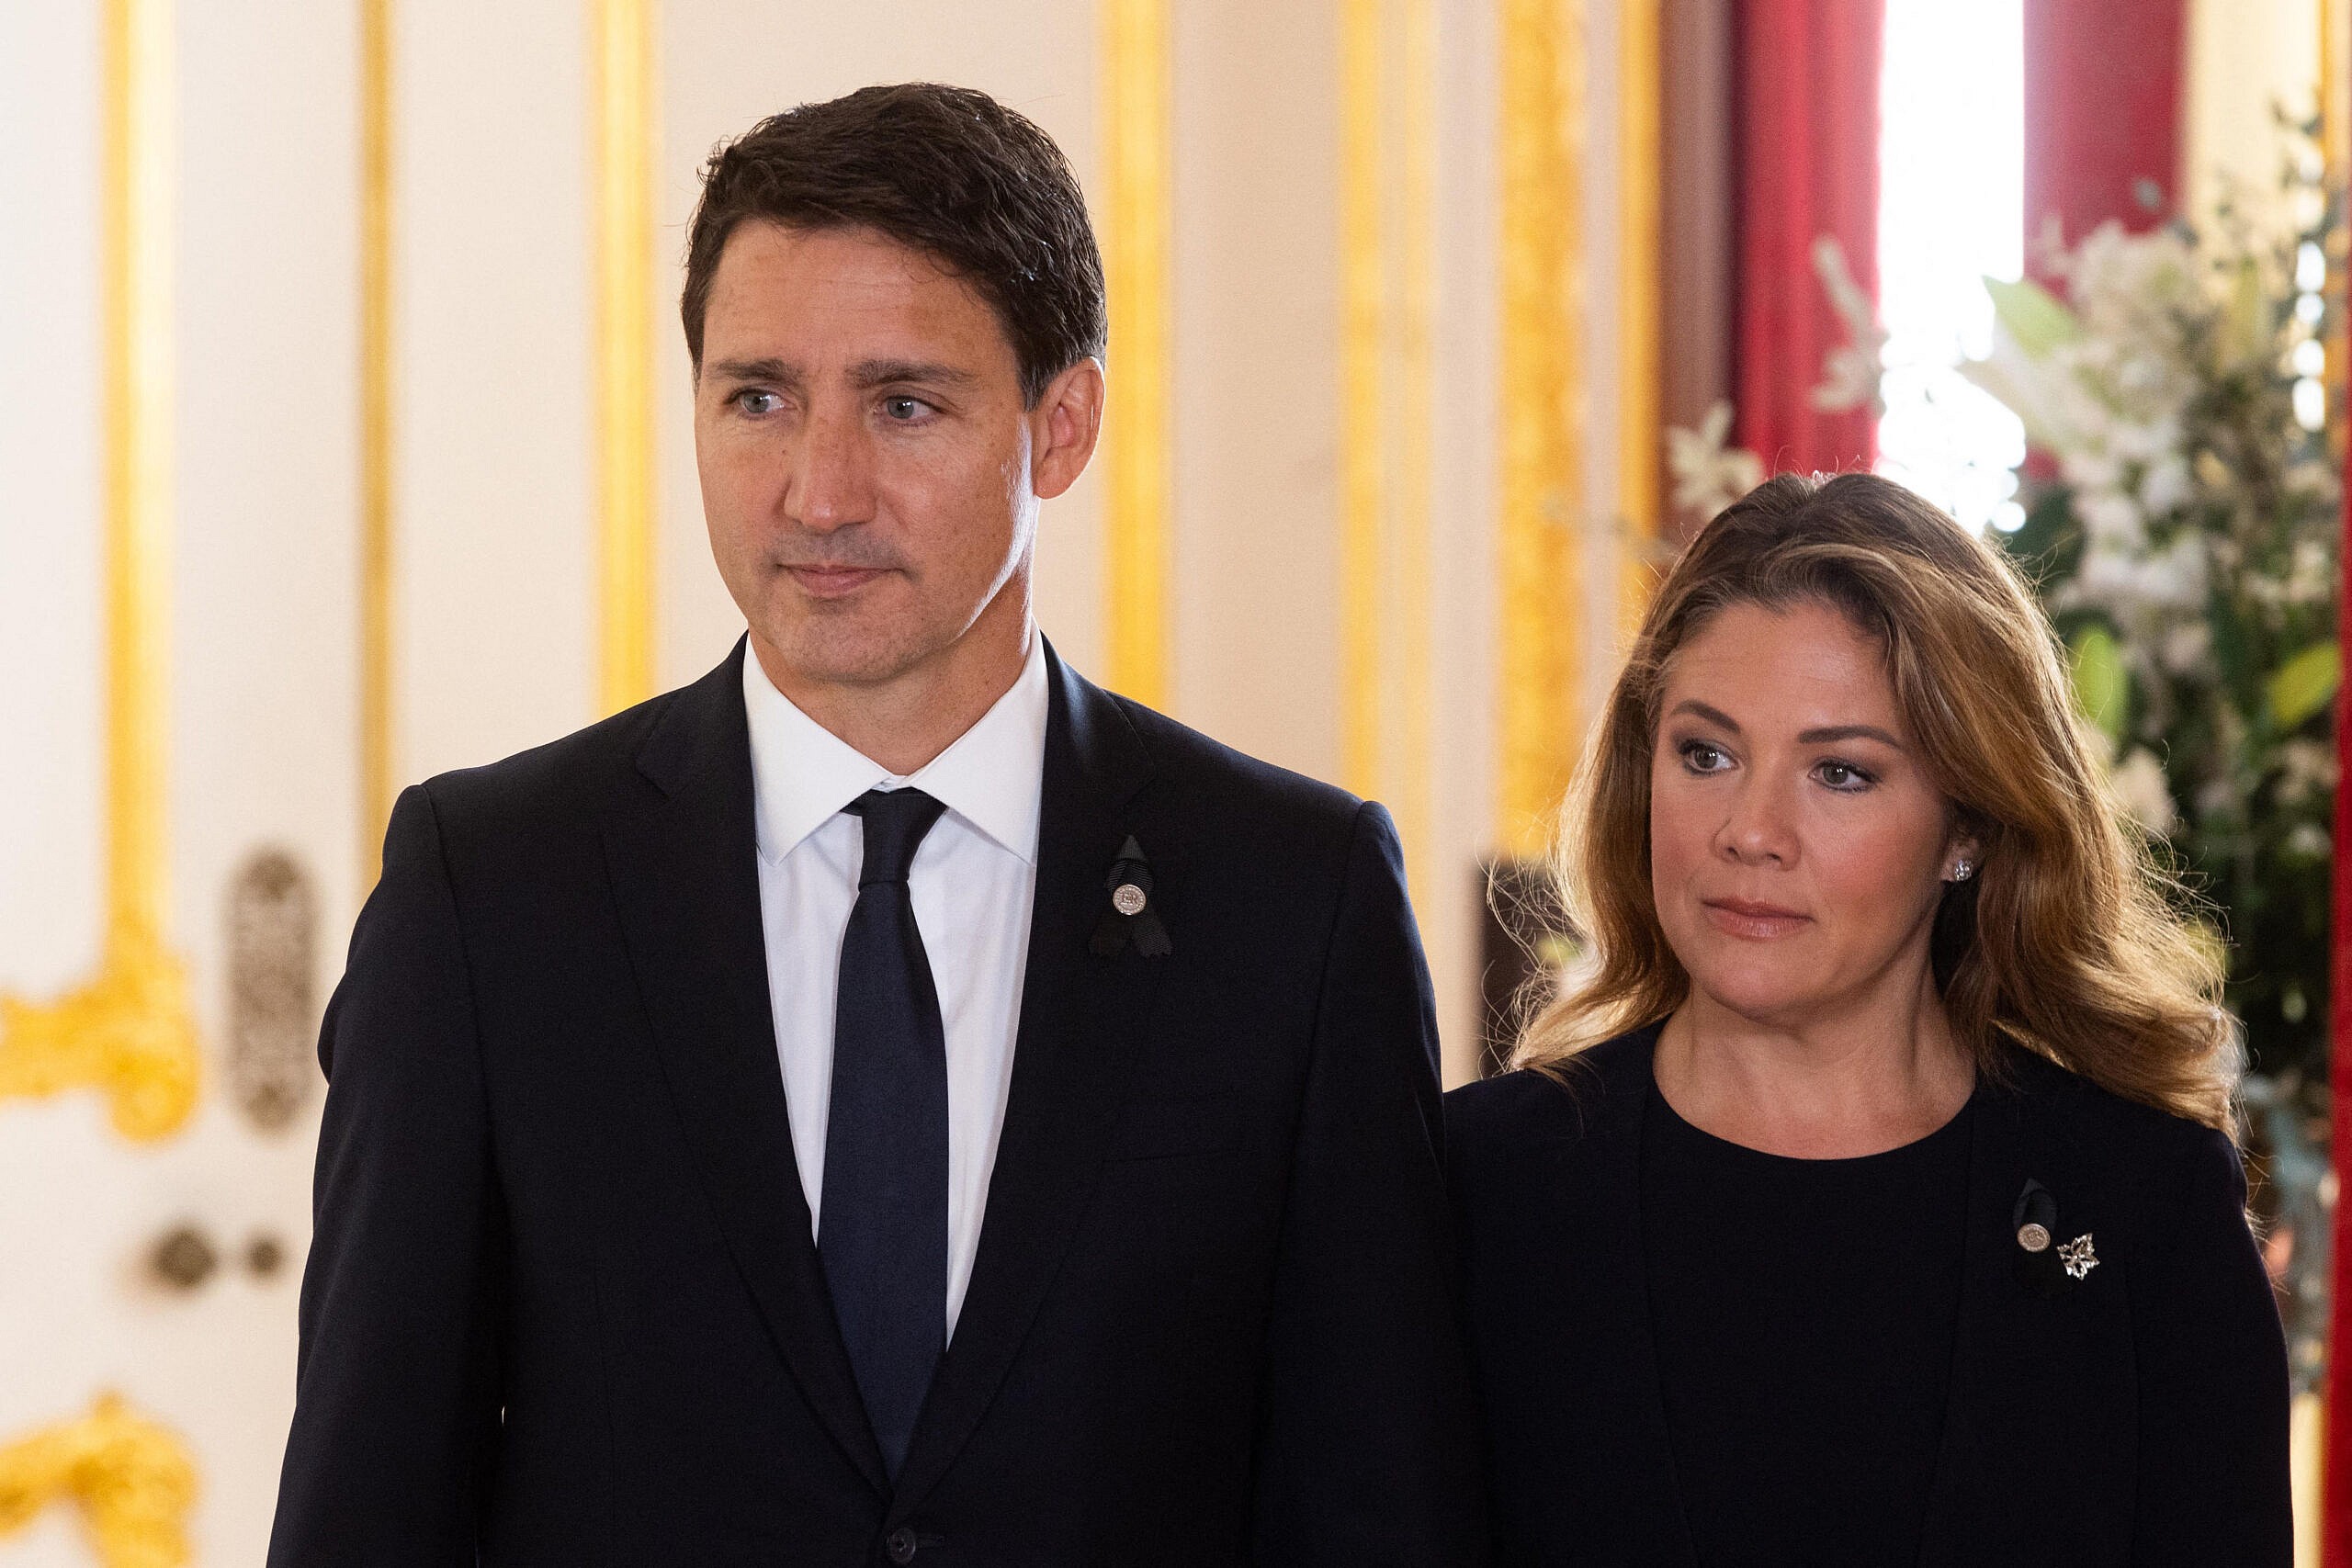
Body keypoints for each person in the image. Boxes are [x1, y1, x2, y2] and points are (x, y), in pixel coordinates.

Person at [268, 84, 1483, 1566]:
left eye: (905, 404)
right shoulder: (492, 894)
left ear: (1064, 424)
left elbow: (1378, 1514)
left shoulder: (1293, 905)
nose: (817, 491)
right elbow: (369, 1506)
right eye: (757, 397)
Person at [1448, 472, 2290, 1566]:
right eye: (1705, 754)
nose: (1750, 832)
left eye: (1839, 772)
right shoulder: (1468, 1188)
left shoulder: (2142, 1201)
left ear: (1969, 828)